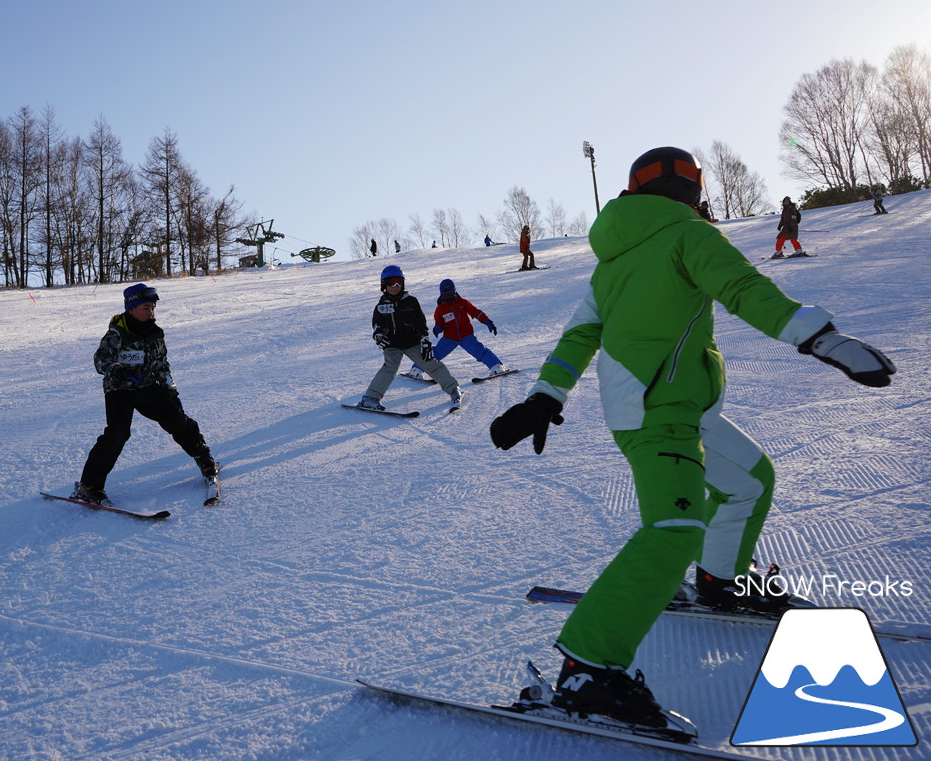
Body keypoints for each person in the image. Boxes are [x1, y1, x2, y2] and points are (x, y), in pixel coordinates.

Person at [489, 146, 895, 729]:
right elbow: (744, 288)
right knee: (673, 529)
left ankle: (720, 580)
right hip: (662, 414)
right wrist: (821, 338)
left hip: (671, 407)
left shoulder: (611, 261)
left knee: (750, 479)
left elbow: (578, 336)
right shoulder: (687, 234)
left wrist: (544, 397)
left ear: (634, 189)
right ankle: (588, 669)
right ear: (692, 189)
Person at [73, 283, 218, 505]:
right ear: (131, 309)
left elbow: (162, 364)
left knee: (177, 420)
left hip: (147, 386)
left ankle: (204, 459)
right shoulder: (117, 333)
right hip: (120, 389)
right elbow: (100, 360)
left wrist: (171, 389)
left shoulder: (155, 333)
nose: (151, 312)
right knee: (117, 434)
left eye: (152, 307)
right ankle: (90, 485)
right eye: (145, 308)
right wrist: (118, 370)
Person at [356, 265, 462, 411]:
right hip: (392, 344)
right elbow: (377, 326)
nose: (396, 286)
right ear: (384, 284)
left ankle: (454, 390)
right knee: (389, 368)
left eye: (399, 281)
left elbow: (421, 323)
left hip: (413, 342)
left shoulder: (411, 301)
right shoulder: (381, 306)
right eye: (392, 282)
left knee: (431, 363)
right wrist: (378, 336)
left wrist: (424, 339)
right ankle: (370, 398)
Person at [408, 279, 507, 379]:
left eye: (450, 294)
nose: (448, 297)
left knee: (479, 350)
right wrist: (438, 328)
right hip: (449, 338)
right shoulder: (440, 309)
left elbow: (475, 312)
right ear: (441, 294)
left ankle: (496, 366)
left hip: (466, 335)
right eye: (445, 295)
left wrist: (487, 321)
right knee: (435, 353)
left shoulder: (463, 303)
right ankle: (416, 370)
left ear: (455, 292)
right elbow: (439, 322)